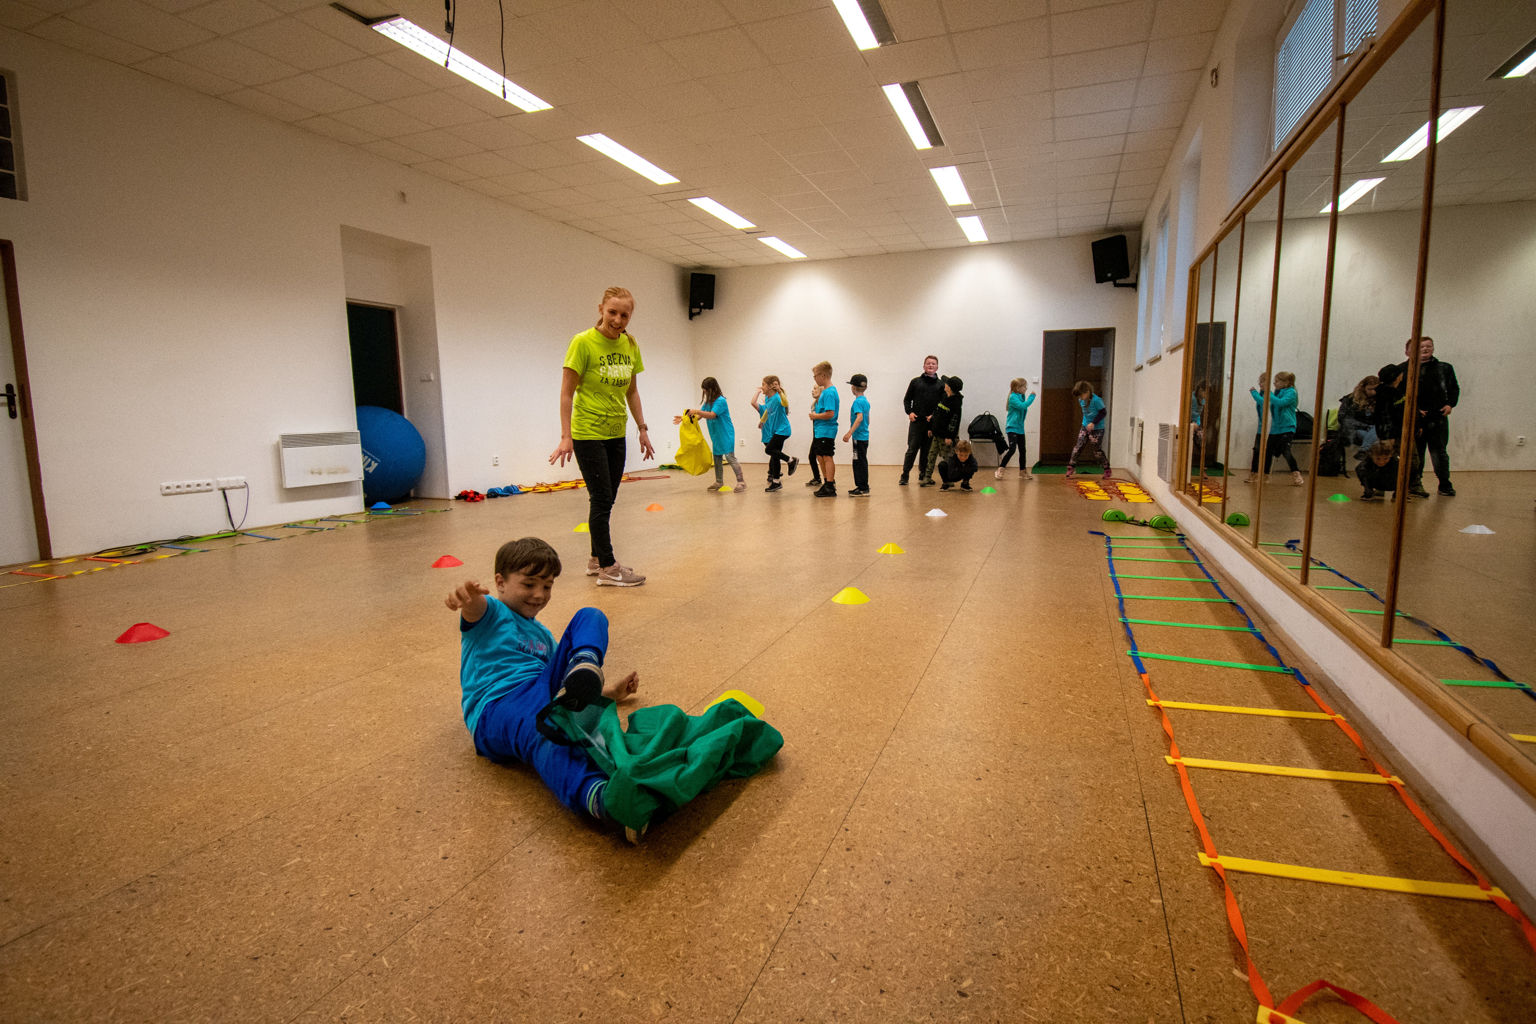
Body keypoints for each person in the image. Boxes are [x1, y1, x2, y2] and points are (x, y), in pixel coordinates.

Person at [445, 537, 642, 838]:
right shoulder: (492, 612)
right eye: (529, 584)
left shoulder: (543, 636)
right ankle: (601, 800)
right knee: (545, 733)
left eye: (547, 586)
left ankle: (585, 661)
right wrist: (467, 597)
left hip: (541, 694)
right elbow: (474, 608)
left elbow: (568, 687)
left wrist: (612, 694)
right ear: (500, 582)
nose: (539, 595)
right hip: (498, 706)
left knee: (590, 615)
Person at [549, 287, 651, 587]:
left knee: (608, 498)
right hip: (588, 432)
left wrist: (642, 428)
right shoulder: (582, 342)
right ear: (600, 310)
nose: (618, 320)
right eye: (612, 312)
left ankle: (595, 559)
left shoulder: (630, 344)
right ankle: (608, 567)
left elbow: (632, 391)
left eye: (624, 315)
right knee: (602, 498)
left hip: (616, 432)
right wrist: (566, 436)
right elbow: (566, 393)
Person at [1378, 337, 1458, 497]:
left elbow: (1453, 388)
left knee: (1439, 452)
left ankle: (1444, 483)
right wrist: (1414, 410)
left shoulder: (1444, 368)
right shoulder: (1400, 370)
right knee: (1415, 454)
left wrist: (1450, 404)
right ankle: (1414, 484)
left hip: (1437, 417)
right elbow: (1396, 394)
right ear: (1408, 351)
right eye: (1421, 346)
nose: (1425, 349)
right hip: (1413, 420)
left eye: (1429, 346)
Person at [675, 377, 744, 493]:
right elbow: (699, 417)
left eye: (706, 389)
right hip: (716, 435)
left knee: (729, 457)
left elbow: (711, 415)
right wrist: (684, 418)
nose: (704, 392)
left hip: (726, 433)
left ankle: (741, 481)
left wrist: (696, 410)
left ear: (712, 389)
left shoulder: (720, 401)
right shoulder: (708, 403)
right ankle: (719, 482)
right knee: (717, 457)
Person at [1250, 370, 1302, 485]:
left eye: (1277, 381)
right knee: (1268, 451)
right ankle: (1266, 475)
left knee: (1285, 451)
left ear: (1286, 382)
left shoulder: (1291, 392)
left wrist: (1268, 393)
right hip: (1275, 428)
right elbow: (1269, 403)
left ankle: (1296, 473)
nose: (1274, 383)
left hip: (1287, 427)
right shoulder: (1277, 392)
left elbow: (1280, 403)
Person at [900, 355, 945, 485]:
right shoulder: (915, 382)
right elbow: (907, 399)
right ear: (924, 366)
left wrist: (934, 416)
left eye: (933, 364)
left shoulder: (941, 385)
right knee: (912, 449)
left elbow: (942, 404)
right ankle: (905, 475)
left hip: (931, 423)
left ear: (937, 367)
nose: (930, 365)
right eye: (928, 363)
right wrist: (910, 412)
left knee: (927, 450)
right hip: (917, 422)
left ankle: (924, 474)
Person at [751, 374, 797, 492]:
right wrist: (762, 421)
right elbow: (767, 411)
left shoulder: (777, 397)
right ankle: (776, 482)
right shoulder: (767, 398)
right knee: (775, 456)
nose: (762, 387)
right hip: (776, 430)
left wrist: (780, 391)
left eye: (763, 384)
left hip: (783, 430)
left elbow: (785, 404)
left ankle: (791, 460)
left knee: (769, 449)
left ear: (771, 386)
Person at [921, 375, 964, 486]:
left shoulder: (955, 403)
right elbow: (937, 413)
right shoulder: (944, 397)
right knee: (931, 456)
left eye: (947, 384)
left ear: (949, 388)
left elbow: (954, 421)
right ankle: (927, 477)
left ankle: (949, 479)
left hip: (945, 436)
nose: (944, 384)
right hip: (936, 433)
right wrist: (931, 427)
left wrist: (949, 436)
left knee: (947, 458)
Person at [1064, 381, 1109, 480]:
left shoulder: (1097, 400)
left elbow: (1103, 413)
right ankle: (1071, 466)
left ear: (1088, 392)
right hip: (1085, 426)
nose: (1080, 398)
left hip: (1097, 428)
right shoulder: (1081, 400)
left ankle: (1106, 468)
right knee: (1078, 447)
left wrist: (1093, 423)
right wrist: (1087, 424)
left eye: (1082, 396)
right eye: (1079, 397)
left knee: (1096, 450)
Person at [808, 361, 840, 497]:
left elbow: (830, 413)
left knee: (827, 456)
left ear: (822, 376)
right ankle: (826, 482)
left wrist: (815, 416)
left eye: (815, 376)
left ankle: (830, 485)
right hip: (821, 430)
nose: (814, 379)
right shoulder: (826, 392)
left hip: (827, 430)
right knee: (820, 456)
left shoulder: (829, 393)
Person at [996, 377, 1035, 480]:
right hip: (1012, 427)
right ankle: (1001, 468)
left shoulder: (1021, 396)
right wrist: (1031, 397)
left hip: (1020, 428)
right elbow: (1022, 406)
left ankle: (1022, 471)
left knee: (1022, 450)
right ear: (1018, 388)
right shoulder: (1013, 397)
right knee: (1012, 449)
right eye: (1024, 386)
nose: (1026, 388)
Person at [1337, 375, 1383, 460]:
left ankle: (1363, 450)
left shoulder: (1382, 399)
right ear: (1363, 388)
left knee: (1375, 429)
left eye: (1375, 389)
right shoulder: (1351, 399)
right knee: (1375, 438)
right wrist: (1365, 426)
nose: (1373, 392)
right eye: (1369, 389)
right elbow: (1343, 418)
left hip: (1373, 429)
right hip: (1356, 429)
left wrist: (1376, 413)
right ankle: (1366, 452)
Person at [843, 373, 871, 497]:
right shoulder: (865, 401)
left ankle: (862, 487)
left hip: (858, 437)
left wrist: (850, 432)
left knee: (858, 462)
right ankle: (862, 486)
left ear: (853, 387)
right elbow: (867, 419)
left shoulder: (857, 402)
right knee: (861, 460)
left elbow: (859, 418)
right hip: (864, 436)